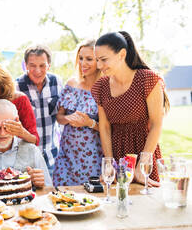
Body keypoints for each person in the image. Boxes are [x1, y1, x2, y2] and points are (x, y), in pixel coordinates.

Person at [92, 31, 169, 185]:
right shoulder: (100, 86)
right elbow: (105, 127)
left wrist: (142, 164)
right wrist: (109, 163)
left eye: (104, 60)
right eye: (97, 60)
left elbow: (156, 124)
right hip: (117, 153)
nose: (99, 66)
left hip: (144, 150)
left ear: (121, 54)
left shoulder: (147, 79)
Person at [53, 40, 103, 186]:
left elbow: (109, 129)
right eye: (80, 58)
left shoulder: (104, 88)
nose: (83, 63)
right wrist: (68, 118)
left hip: (93, 158)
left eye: (89, 59)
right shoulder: (71, 84)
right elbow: (59, 117)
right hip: (67, 156)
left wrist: (89, 123)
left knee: (89, 199)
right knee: (62, 198)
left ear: (99, 61)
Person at [16, 45, 63, 177]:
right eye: (32, 65)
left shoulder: (57, 82)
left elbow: (62, 116)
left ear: (49, 65)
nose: (37, 70)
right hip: (26, 159)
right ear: (25, 65)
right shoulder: (17, 86)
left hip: (51, 156)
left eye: (42, 65)